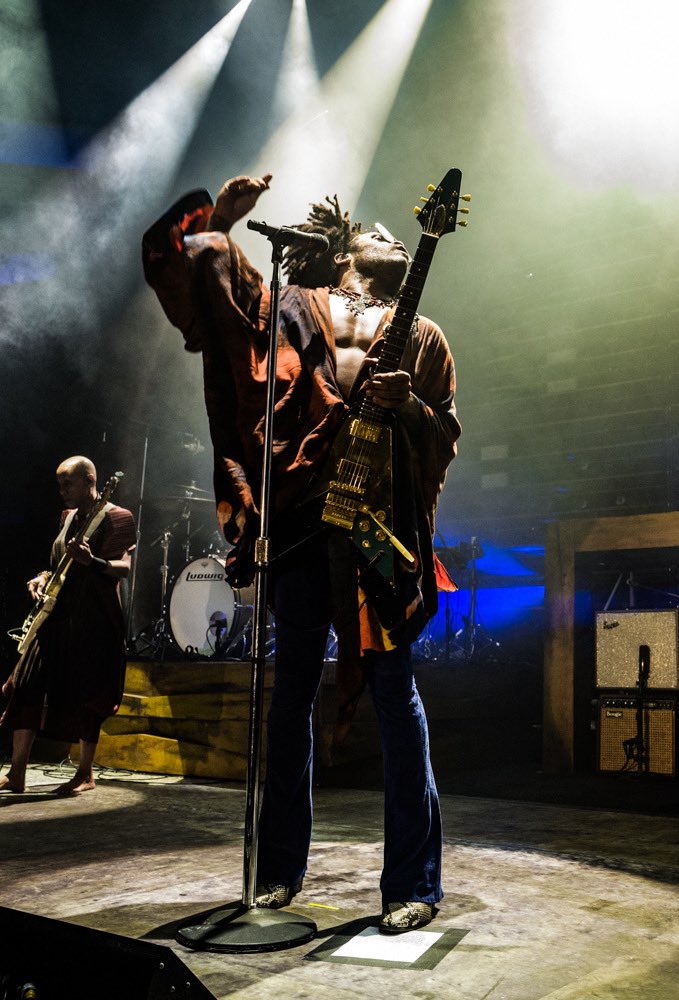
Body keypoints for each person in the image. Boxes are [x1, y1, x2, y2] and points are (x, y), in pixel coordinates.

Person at [142, 173, 461, 932]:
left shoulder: (423, 335)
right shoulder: (292, 305)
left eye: (396, 234)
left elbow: (444, 431)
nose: (388, 231)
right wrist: (218, 221)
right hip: (298, 517)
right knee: (288, 700)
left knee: (394, 693)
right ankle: (279, 871)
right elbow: (218, 313)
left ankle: (411, 885)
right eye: (374, 229)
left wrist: (407, 404)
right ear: (344, 250)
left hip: (377, 533)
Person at [0, 456, 136, 795]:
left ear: (90, 480)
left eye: (68, 484)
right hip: (56, 615)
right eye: (59, 485)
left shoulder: (118, 517)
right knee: (26, 684)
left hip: (93, 619)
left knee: (87, 693)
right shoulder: (67, 517)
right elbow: (58, 565)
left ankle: (85, 773)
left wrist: (95, 561)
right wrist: (40, 577)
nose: (62, 492)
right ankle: (16, 772)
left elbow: (125, 567)